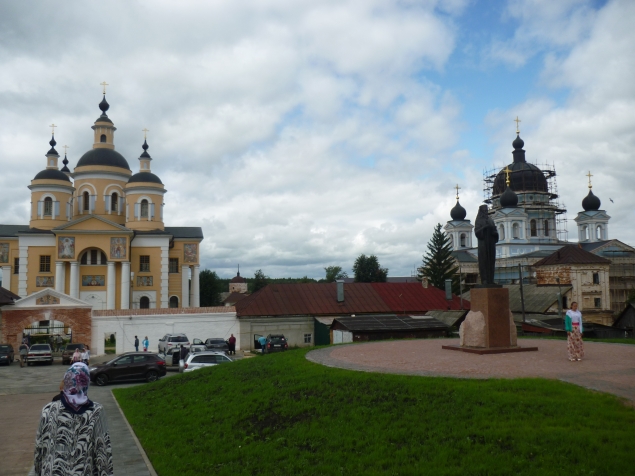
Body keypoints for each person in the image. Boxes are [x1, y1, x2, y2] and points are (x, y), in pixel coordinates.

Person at [34, 363, 113, 475]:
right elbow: (103, 454)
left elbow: (39, 449)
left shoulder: (47, 410)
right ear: (86, 382)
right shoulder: (96, 412)